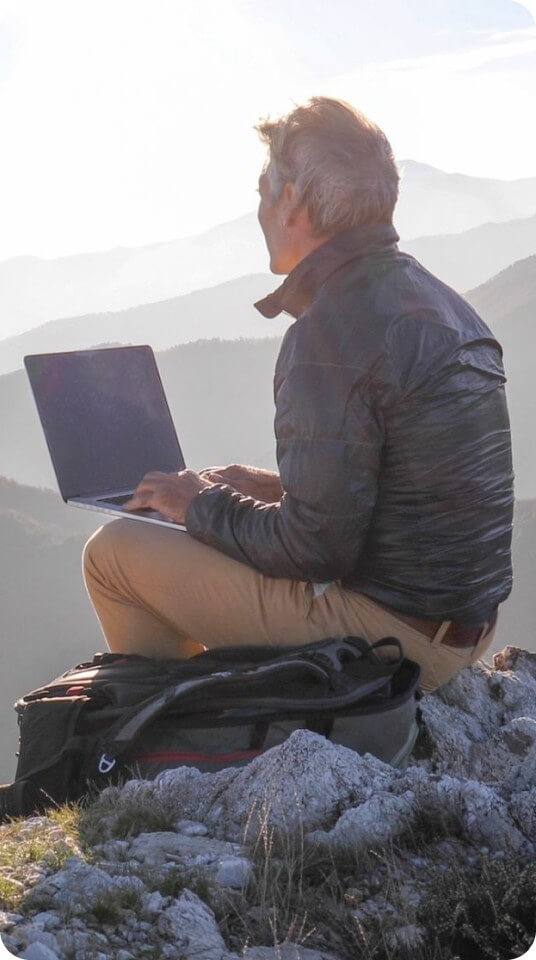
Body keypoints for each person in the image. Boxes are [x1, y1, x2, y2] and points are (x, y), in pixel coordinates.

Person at [83, 97, 514, 693]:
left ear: (293, 202)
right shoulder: (441, 303)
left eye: (265, 189)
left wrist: (197, 506)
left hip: (394, 638)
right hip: (462, 628)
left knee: (113, 552)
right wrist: (268, 489)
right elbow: (406, 492)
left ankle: (179, 738)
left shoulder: (331, 331)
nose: (259, 207)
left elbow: (314, 554)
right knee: (191, 524)